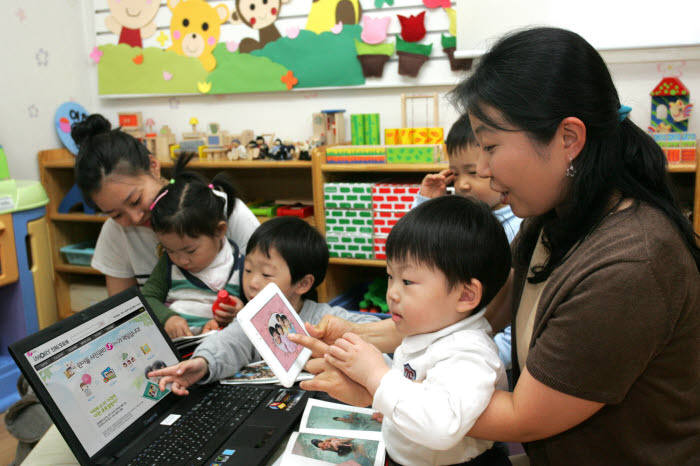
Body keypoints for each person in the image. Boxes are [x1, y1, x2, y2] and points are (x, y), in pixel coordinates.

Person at [291, 27, 700, 465]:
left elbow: (524, 417)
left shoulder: (629, 267)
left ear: (568, 139)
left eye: (490, 146)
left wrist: (381, 385)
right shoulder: (550, 219)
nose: (482, 170)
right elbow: (466, 314)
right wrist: (353, 337)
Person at [325, 196, 511, 466]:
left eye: (407, 281)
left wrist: (376, 375)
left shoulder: (469, 353)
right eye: (391, 277)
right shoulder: (429, 329)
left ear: (466, 295)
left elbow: (440, 427)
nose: (392, 294)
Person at [72, 114, 259, 338]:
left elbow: (273, 294)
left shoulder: (225, 211)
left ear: (153, 166)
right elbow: (123, 315)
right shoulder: (115, 233)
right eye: (115, 214)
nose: (134, 218)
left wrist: (240, 314)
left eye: (135, 200)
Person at [148, 217, 381, 393]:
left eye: (267, 274)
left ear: (303, 283)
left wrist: (335, 345)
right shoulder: (255, 319)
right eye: (248, 270)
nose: (253, 282)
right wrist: (202, 363)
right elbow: (229, 342)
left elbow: (374, 330)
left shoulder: (323, 318)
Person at [414, 113, 523, 371]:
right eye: (455, 173)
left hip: (494, 350)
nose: (462, 185)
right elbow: (422, 248)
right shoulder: (466, 216)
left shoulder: (517, 226)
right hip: (455, 336)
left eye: (473, 173)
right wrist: (428, 203)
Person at [140, 153, 245, 337]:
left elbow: (262, 309)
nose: (181, 260)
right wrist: (168, 318)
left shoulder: (241, 266)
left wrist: (241, 310)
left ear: (219, 231)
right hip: (178, 347)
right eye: (170, 250)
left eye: (190, 250)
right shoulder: (169, 264)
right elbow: (147, 298)